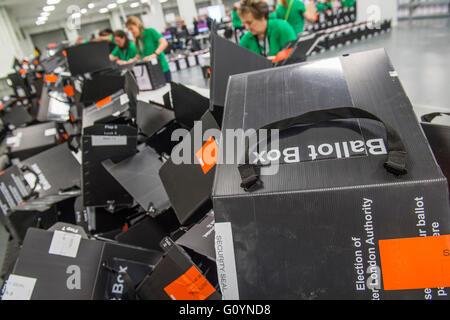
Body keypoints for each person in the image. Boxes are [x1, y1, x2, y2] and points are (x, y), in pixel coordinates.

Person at [126, 16, 171, 83]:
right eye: (129, 30)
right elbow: (140, 55)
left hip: (162, 68)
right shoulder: (138, 40)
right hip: (151, 72)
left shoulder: (150, 31)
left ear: (137, 24)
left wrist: (154, 54)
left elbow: (164, 43)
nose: (131, 32)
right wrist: (133, 59)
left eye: (131, 29)